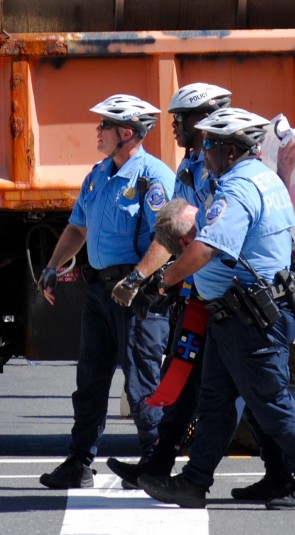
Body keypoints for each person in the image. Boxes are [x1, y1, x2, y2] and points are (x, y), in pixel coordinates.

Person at [135, 107, 295, 510]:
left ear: (229, 150)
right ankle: (194, 482)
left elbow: (208, 248)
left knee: (271, 402)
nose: (203, 151)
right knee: (216, 402)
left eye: (209, 144)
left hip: (250, 319)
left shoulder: (237, 189)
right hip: (235, 315)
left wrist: (163, 279)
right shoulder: (261, 179)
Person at [37, 94, 175, 489]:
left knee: (143, 382)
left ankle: (154, 465)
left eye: (104, 125)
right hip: (99, 293)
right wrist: (51, 267)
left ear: (126, 133)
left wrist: (135, 281)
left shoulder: (153, 178)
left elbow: (167, 238)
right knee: (91, 380)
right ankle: (79, 463)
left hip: (136, 294)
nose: (97, 131)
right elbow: (77, 228)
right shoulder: (98, 174)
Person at [107, 83, 233, 490]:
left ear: (203, 122)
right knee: (179, 381)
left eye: (180, 119)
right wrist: (142, 280)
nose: (173, 127)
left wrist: (161, 279)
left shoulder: (225, 171)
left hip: (227, 295)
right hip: (195, 294)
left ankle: (293, 473)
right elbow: (172, 233)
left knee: (236, 393)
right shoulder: (188, 168)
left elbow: (208, 240)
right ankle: (156, 466)